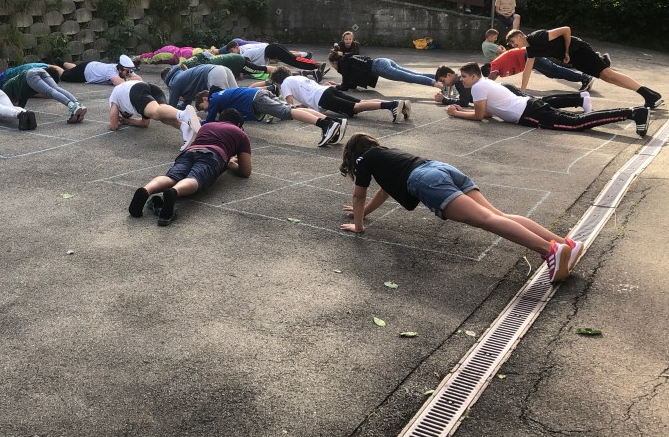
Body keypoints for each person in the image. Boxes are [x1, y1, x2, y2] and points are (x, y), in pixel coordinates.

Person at [338, 132, 584, 283]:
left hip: (426, 180)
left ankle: (549, 250)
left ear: (353, 154)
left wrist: (358, 226)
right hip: (440, 168)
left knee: (486, 220)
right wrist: (364, 214)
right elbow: (384, 192)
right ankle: (565, 245)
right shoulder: (384, 155)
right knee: (497, 215)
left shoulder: (364, 159)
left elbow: (359, 195)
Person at [445, 63, 650, 136]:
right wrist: (462, 110)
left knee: (577, 124)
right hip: (529, 107)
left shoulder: (478, 87)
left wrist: (456, 113)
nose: (462, 80)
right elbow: (488, 113)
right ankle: (633, 113)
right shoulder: (483, 84)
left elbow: (479, 116)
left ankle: (632, 113)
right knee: (576, 120)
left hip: (529, 113)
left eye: (464, 77)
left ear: (474, 76)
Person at [128, 108, 252, 227]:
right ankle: (174, 192)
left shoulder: (207, 126)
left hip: (190, 151)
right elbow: (246, 171)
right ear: (239, 124)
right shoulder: (240, 133)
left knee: (172, 177)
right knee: (196, 177)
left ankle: (146, 190)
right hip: (212, 155)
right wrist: (231, 164)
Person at [506, 27, 662, 108]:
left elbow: (565, 30)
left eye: (513, 42)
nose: (513, 45)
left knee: (609, 74)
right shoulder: (531, 50)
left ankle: (650, 96)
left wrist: (567, 51)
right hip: (575, 58)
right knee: (607, 77)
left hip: (578, 49)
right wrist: (522, 92)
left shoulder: (538, 37)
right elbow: (527, 70)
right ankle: (650, 94)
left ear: (520, 36)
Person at [195, 86, 346, 147]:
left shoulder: (214, 99)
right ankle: (333, 121)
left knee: (287, 113)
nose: (206, 110)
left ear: (205, 99)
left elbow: (210, 122)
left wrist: (197, 122)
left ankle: (325, 125)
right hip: (258, 94)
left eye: (203, 108)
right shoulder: (220, 95)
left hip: (256, 99)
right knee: (291, 108)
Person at [270, 67, 411, 123]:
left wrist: (283, 112)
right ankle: (400, 103)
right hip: (326, 91)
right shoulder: (297, 78)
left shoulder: (285, 83)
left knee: (356, 107)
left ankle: (392, 105)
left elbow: (289, 104)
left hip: (323, 98)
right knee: (360, 102)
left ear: (278, 80)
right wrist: (301, 107)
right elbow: (307, 97)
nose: (278, 87)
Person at [108, 79, 202, 149]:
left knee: (156, 112)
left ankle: (184, 114)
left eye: (127, 113)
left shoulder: (114, 99)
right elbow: (145, 123)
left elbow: (113, 126)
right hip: (149, 87)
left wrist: (120, 118)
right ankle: (185, 127)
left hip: (135, 90)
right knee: (162, 115)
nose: (129, 113)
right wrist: (128, 120)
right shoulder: (133, 102)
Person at [2, 64, 86, 123]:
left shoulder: (6, 91)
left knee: (50, 91)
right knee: (56, 88)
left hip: (30, 76)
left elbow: (14, 107)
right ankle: (78, 104)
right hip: (40, 71)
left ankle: (72, 106)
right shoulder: (17, 90)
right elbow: (21, 104)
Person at [487, 46, 593, 91]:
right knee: (552, 73)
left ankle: (584, 78)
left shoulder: (494, 64)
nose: (495, 75)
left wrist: (484, 85)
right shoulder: (499, 69)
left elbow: (491, 78)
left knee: (553, 69)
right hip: (528, 59)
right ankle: (584, 77)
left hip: (528, 55)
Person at [328, 49, 440, 91]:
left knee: (409, 77)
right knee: (412, 73)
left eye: (333, 65)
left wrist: (333, 87)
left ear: (334, 62)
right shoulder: (347, 59)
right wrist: (337, 84)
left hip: (379, 68)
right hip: (382, 61)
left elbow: (345, 86)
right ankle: (440, 78)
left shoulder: (343, 65)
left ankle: (437, 84)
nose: (334, 68)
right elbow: (350, 84)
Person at [219, 40, 324, 79]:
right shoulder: (244, 50)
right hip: (271, 49)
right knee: (293, 59)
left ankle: (317, 65)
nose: (232, 54)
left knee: (293, 60)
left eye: (232, 51)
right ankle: (316, 65)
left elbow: (248, 67)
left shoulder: (244, 54)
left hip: (271, 50)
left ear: (236, 47)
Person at [162, 64, 238, 109]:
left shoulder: (174, 83)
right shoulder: (182, 76)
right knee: (237, 96)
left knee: (221, 101)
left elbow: (171, 108)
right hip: (222, 69)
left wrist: (161, 107)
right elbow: (186, 104)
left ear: (166, 81)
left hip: (212, 74)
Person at [61, 55, 142, 85]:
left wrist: (127, 78)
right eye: (127, 71)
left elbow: (139, 79)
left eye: (130, 71)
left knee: (74, 68)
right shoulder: (111, 72)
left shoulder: (124, 70)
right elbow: (120, 83)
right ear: (120, 70)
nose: (129, 73)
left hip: (91, 66)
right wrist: (128, 79)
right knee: (62, 75)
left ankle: (61, 62)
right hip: (84, 73)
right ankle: (53, 66)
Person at [134, 45, 213, 65]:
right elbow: (182, 66)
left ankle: (137, 58)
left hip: (172, 49)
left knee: (153, 55)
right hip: (168, 54)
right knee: (151, 59)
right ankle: (137, 59)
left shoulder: (198, 50)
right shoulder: (187, 56)